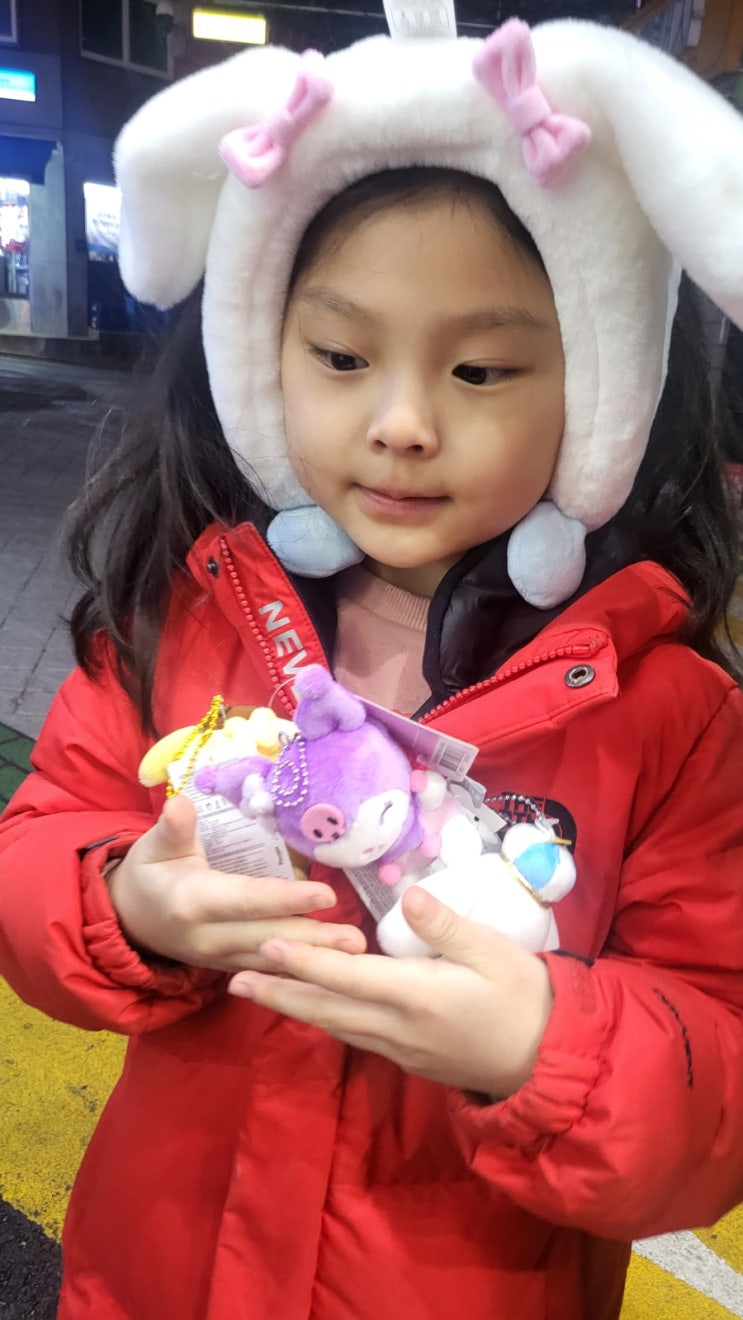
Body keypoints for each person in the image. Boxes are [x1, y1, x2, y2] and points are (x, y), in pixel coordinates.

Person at [1, 12, 743, 1319]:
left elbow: (717, 1084)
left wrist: (544, 1047)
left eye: (480, 368)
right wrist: (124, 902)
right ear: (260, 361)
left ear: (604, 392)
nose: (401, 422)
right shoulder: (193, 611)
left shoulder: (671, 713)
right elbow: (39, 841)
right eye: (342, 357)